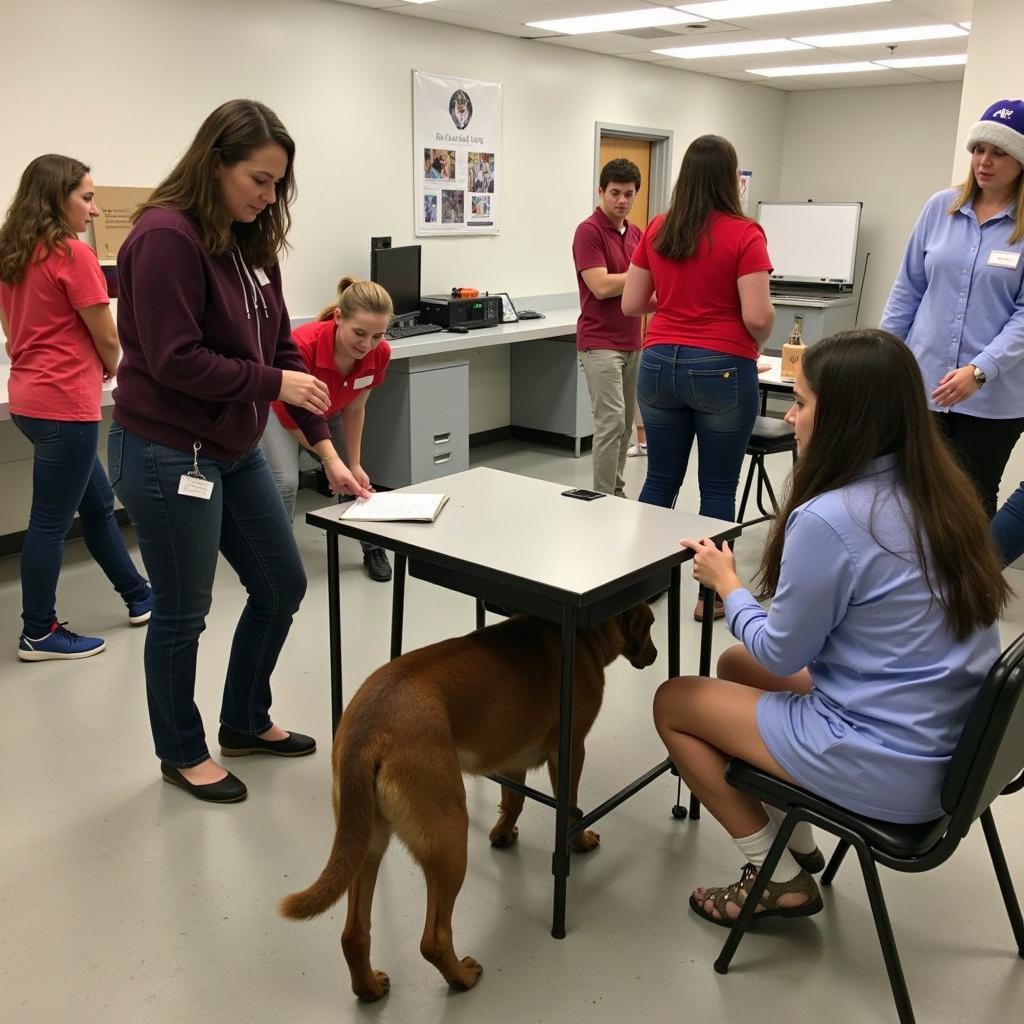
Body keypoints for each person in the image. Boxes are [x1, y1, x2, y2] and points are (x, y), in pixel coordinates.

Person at [653, 329, 1006, 929]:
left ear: (846, 418)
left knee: (673, 702)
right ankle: (801, 844)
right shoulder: (943, 493)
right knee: (737, 668)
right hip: (957, 747)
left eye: (803, 401)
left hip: (892, 764)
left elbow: (781, 646)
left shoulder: (831, 517)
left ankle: (776, 876)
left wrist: (725, 582)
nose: (790, 417)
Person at [110, 99, 349, 804]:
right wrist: (277, 380)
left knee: (282, 585)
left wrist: (328, 450)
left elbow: (278, 347)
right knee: (183, 612)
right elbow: (175, 358)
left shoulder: (250, 241)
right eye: (258, 179)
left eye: (278, 184)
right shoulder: (164, 238)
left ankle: (245, 720)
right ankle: (180, 753)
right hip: (165, 452)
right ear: (215, 163)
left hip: (232, 445)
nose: (269, 196)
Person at [0, 154, 152, 661]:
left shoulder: (13, 254)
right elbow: (106, 334)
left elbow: (13, 331)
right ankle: (38, 632)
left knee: (95, 505)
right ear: (54, 197)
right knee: (49, 520)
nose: (92, 210)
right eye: (86, 197)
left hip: (29, 399)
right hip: (65, 403)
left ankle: (138, 595)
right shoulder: (73, 255)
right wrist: (108, 365)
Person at [622, 134, 773, 621]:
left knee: (660, 479)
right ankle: (711, 598)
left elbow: (630, 304)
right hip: (722, 368)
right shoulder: (745, 234)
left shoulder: (660, 229)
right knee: (717, 487)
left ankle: (639, 588)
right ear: (732, 179)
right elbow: (757, 316)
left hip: (658, 362)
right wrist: (755, 336)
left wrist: (673, 301)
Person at [881, 98, 1024, 519]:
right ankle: (911, 584)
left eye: (1000, 152)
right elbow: (907, 289)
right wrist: (884, 360)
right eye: (979, 149)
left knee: (971, 501)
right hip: (924, 385)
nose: (985, 161)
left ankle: (967, 587)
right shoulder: (939, 208)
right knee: (911, 495)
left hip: (993, 398)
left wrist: (982, 369)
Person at [260, 276, 394, 581]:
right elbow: (294, 416)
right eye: (359, 333)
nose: (367, 345)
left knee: (357, 478)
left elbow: (356, 408)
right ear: (338, 318)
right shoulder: (302, 347)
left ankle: (372, 546)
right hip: (281, 412)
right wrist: (328, 460)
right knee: (285, 482)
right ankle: (275, 560)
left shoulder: (380, 352)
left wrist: (354, 464)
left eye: (377, 336)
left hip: (328, 409)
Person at [572, 158, 644, 498]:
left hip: (632, 341)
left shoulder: (637, 235)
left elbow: (646, 293)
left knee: (626, 423)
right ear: (601, 191)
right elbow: (600, 286)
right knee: (611, 421)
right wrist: (641, 278)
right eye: (615, 193)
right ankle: (602, 497)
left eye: (629, 194)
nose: (622, 201)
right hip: (600, 342)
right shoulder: (589, 231)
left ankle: (616, 490)